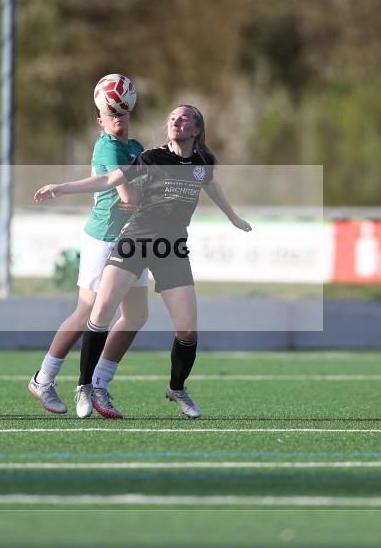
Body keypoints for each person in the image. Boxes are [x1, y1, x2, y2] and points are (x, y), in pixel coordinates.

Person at [34, 105, 251, 419]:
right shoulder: (150, 158)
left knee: (187, 330)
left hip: (171, 247)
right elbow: (109, 179)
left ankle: (176, 388)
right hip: (136, 240)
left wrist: (232, 216)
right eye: (172, 118)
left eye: (184, 118)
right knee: (100, 312)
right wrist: (62, 188)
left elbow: (211, 183)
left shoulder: (202, 162)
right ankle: (85, 386)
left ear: (196, 130)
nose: (176, 122)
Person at [27, 108, 149, 418]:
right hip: (104, 239)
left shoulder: (136, 147)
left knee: (135, 315)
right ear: (101, 122)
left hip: (133, 239)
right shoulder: (107, 145)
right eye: (111, 113)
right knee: (87, 313)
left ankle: (99, 383)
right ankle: (44, 378)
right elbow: (128, 194)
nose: (117, 116)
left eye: (122, 110)